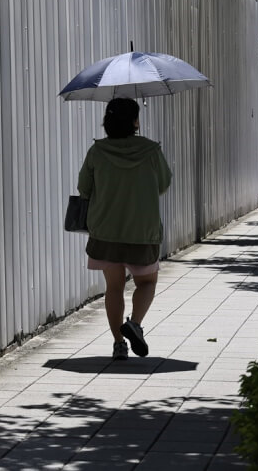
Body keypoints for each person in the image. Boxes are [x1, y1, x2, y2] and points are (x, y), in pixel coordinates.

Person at [78, 98, 172, 360]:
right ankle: (135, 324)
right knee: (147, 282)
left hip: (106, 230)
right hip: (142, 231)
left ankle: (119, 344)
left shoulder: (97, 152)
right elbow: (164, 184)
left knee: (114, 287)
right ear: (134, 122)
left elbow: (84, 188)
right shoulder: (151, 151)